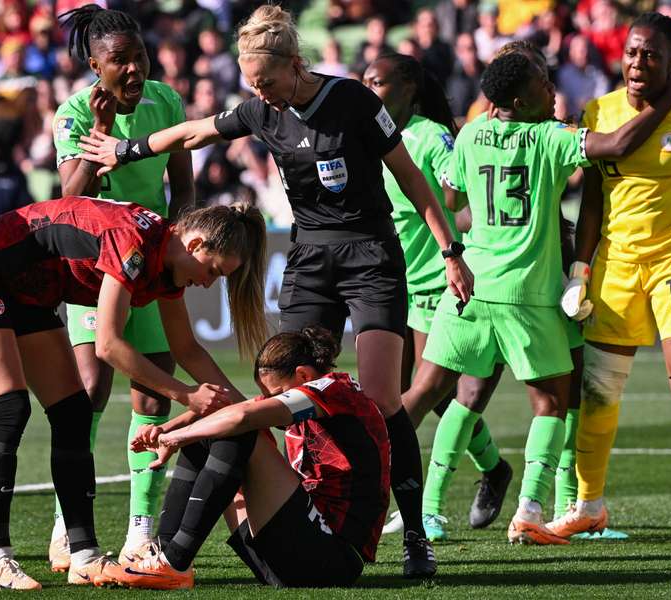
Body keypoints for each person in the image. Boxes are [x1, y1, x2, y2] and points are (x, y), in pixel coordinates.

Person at [77, 5, 473, 579]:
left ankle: (414, 533)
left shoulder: (354, 103)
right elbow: (194, 131)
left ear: (294, 64)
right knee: (279, 382)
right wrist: (126, 151)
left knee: (383, 402)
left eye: (266, 81)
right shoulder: (263, 111)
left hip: (370, 257)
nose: (260, 93)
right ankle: (303, 503)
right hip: (310, 259)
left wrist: (450, 251)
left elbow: (413, 180)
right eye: (252, 84)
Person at [399, 44, 671, 545]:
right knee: (554, 403)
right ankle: (530, 509)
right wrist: (664, 102)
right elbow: (615, 146)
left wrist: (488, 227)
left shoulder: (470, 134)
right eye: (541, 85)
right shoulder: (549, 137)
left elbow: (452, 200)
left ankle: (428, 513)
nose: (552, 90)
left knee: (444, 395)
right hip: (528, 293)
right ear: (521, 101)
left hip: (470, 286)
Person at [0, 198, 268, 589]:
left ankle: (85, 557)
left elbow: (187, 349)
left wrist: (245, 409)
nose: (208, 283)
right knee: (10, 409)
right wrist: (184, 395)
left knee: (73, 414)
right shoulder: (134, 243)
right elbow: (108, 344)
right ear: (194, 245)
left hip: (27, 292)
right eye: (212, 271)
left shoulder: (166, 262)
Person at [555, 12, 671, 547]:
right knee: (598, 389)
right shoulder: (599, 111)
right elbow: (591, 205)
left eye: (652, 55)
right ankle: (588, 506)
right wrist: (579, 272)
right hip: (616, 266)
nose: (639, 64)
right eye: (633, 53)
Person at [52, 4, 196, 568]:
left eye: (140, 57)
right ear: (95, 65)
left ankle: (140, 531)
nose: (135, 70)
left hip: (152, 264)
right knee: (90, 389)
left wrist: (178, 240)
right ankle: (71, 522)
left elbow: (181, 187)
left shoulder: (166, 101)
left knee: (153, 391)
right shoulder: (72, 115)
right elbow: (69, 197)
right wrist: (104, 132)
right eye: (121, 61)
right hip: (94, 267)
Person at [100, 327, 389, 589]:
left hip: (334, 559)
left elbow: (242, 415)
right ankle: (161, 557)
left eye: (276, 393)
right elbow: (236, 408)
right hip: (297, 553)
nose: (270, 399)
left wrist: (176, 438)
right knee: (215, 428)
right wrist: (168, 430)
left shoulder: (335, 389)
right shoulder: (308, 393)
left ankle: (174, 563)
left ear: (303, 375)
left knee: (240, 430)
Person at [363, 52, 512, 541]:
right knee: (434, 399)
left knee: (418, 397)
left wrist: (457, 246)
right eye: (365, 81)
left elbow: (461, 190)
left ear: (407, 86)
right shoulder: (369, 133)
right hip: (388, 281)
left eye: (378, 82)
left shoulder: (432, 136)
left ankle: (404, 503)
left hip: (432, 282)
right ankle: (492, 468)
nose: (369, 89)